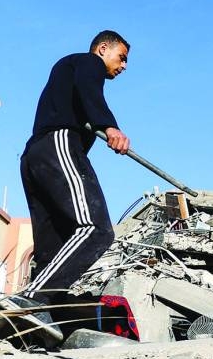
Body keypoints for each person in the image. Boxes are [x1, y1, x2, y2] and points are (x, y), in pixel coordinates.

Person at [18, 30, 131, 313]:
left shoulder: (67, 73)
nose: (124, 66)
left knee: (51, 252)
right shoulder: (87, 63)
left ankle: (33, 326)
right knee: (96, 229)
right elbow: (89, 91)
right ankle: (30, 301)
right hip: (58, 144)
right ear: (103, 48)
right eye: (122, 58)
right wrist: (109, 125)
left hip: (35, 156)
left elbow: (82, 94)